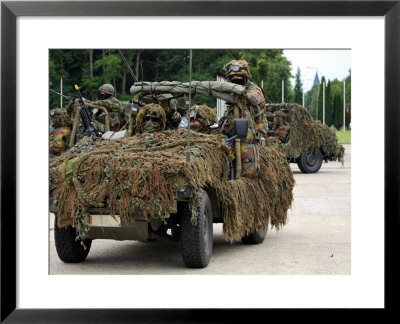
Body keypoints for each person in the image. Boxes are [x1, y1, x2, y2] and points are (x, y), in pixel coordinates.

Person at [221, 60, 266, 177]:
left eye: (239, 76)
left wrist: (241, 91)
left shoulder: (253, 88)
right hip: (235, 126)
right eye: (233, 77)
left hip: (252, 129)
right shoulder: (231, 90)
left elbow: (255, 98)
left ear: (245, 77)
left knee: (245, 149)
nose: (236, 78)